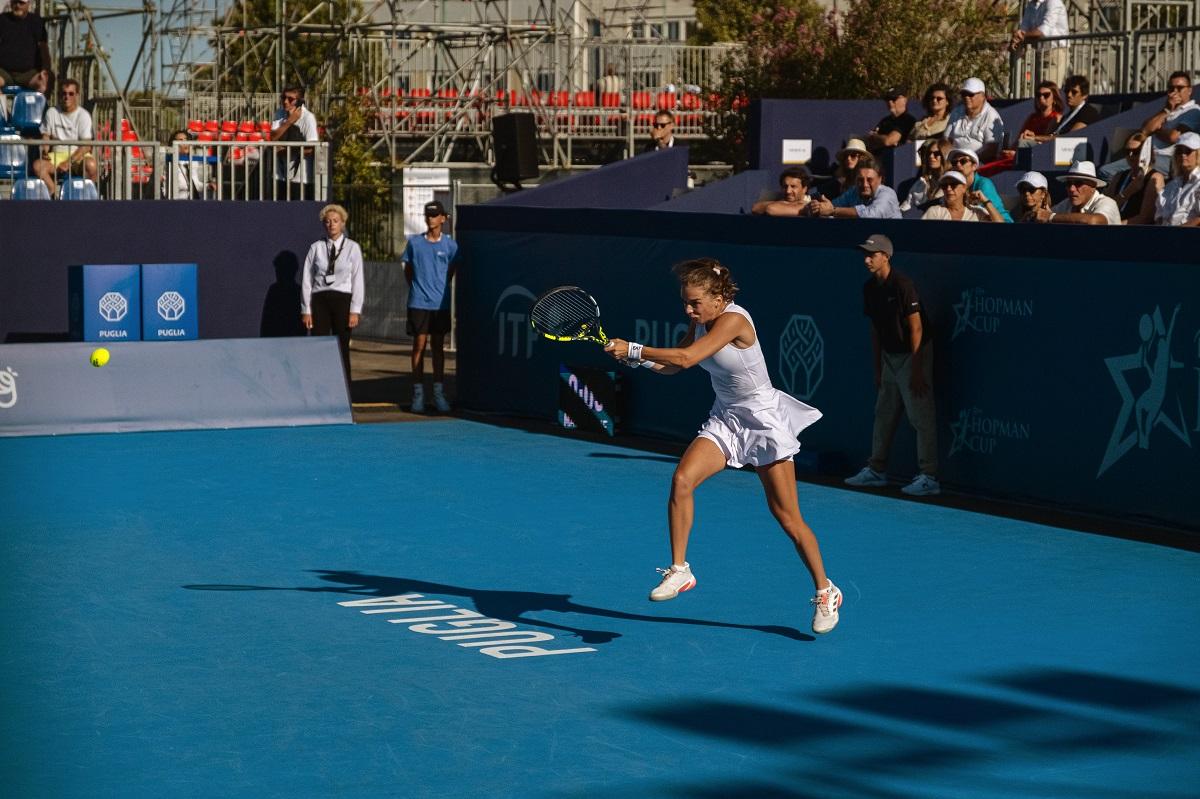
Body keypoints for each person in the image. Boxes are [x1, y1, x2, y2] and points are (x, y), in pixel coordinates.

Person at [602, 259, 843, 635]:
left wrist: (633, 348)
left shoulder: (735, 321)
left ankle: (826, 590)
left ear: (718, 297)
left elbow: (686, 357)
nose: (688, 310)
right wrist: (637, 362)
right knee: (682, 479)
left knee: (788, 518)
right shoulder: (701, 318)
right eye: (685, 302)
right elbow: (674, 366)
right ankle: (680, 570)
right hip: (726, 418)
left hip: (763, 421)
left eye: (695, 303)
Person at [844, 235, 939, 497]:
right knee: (884, 413)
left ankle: (929, 476)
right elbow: (875, 330)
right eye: (865, 254)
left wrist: (918, 370)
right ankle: (876, 470)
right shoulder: (869, 288)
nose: (866, 259)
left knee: (920, 415)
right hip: (890, 357)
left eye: (871, 254)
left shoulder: (902, 285)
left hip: (913, 354)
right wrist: (878, 367)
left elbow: (916, 328)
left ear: (886, 256)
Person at [403, 200, 459, 413]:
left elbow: (451, 270)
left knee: (438, 347)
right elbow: (408, 271)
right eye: (428, 215)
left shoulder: (451, 246)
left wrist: (439, 289)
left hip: (441, 305)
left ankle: (438, 393)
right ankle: (418, 394)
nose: (430, 218)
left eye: (435, 215)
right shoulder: (415, 244)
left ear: (443, 219)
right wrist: (418, 289)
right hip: (418, 303)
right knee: (419, 345)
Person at [300, 204, 364, 379]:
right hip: (320, 300)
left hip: (342, 300)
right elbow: (307, 279)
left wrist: (355, 310)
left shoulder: (352, 247)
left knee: (342, 347)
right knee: (319, 346)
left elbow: (357, 279)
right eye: (327, 222)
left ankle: (345, 393)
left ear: (343, 223)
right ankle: (319, 389)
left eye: (335, 221)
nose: (331, 225)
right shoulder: (316, 248)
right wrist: (306, 309)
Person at [30, 78, 97, 197]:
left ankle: (88, 196)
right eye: (63, 93)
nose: (67, 97)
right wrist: (44, 150)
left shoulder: (84, 115)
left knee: (91, 165)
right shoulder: (52, 112)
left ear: (77, 95)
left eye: (71, 94)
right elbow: (46, 136)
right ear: (59, 95)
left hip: (78, 157)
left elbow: (86, 146)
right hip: (56, 156)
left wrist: (68, 162)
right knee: (37, 165)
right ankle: (53, 192)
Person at [1123, 72, 1198, 160]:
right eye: (1171, 88)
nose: (1175, 91)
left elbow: (1173, 137)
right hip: (1149, 154)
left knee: (1106, 171)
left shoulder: (1193, 111)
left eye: (1179, 88)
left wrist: (1157, 130)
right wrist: (1166, 109)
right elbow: (1145, 130)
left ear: (1189, 90)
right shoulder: (1168, 109)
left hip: (1168, 158)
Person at [270, 84, 319, 199]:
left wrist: (285, 151)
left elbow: (311, 148)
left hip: (301, 177)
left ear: (299, 101)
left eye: (290, 99)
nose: (285, 102)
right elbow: (273, 138)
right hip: (280, 174)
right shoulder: (279, 114)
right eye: (283, 98)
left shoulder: (308, 118)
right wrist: (289, 122)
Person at [1033, 160, 1121, 225]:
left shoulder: (1108, 203)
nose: (1071, 189)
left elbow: (1094, 221)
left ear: (1093, 186)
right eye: (1068, 183)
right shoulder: (1066, 204)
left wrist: (1051, 217)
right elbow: (1045, 215)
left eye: (1078, 183)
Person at [1104, 135, 1165, 225]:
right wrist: (1128, 192)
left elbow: (1146, 217)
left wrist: (1116, 226)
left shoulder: (1155, 177)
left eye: (1136, 151)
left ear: (1148, 154)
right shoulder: (1119, 176)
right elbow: (1106, 208)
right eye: (1127, 151)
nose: (1130, 155)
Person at [943, 78, 1005, 162]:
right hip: (954, 162)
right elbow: (946, 140)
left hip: (979, 164)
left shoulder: (991, 116)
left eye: (970, 94)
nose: (966, 97)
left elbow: (992, 150)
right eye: (964, 94)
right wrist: (950, 159)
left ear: (982, 96)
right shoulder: (956, 111)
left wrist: (969, 161)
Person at [1010, 0, 1070, 87]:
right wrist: (1017, 37)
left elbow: (1044, 31)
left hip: (1055, 52)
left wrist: (1021, 36)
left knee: (1049, 91)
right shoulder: (1031, 5)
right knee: (1041, 92)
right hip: (1039, 53)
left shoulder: (1054, 2)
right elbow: (1024, 28)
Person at [810, 164, 901, 219]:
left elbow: (871, 214)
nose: (865, 184)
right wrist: (819, 207)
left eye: (870, 180)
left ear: (880, 179)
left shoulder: (888, 194)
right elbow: (832, 205)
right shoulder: (854, 191)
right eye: (860, 180)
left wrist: (833, 211)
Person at [946, 148, 1013, 222]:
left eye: (963, 161)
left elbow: (981, 213)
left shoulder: (984, 183)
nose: (958, 165)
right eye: (954, 162)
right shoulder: (951, 185)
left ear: (974, 166)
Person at [0, 0, 50, 93]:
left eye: (21, 3)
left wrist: (45, 69)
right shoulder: (2, 19)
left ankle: (40, 107)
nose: (17, 6)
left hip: (29, 74)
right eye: (14, 2)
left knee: (43, 83)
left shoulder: (36, 21)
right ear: (11, 3)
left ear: (28, 4)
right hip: (4, 72)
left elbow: (43, 48)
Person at [1154, 131, 1200, 226]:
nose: (1183, 155)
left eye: (1188, 151)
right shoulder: (1170, 186)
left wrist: (1177, 232)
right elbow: (1159, 218)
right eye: (1179, 151)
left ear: (1198, 154)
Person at [920, 170, 1004, 222]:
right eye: (945, 185)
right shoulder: (934, 211)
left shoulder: (977, 212)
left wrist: (986, 201)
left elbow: (1000, 227)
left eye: (953, 184)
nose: (948, 189)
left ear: (964, 188)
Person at [163, 129, 212, 200]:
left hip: (188, 200)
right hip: (172, 200)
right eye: (180, 140)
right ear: (173, 144)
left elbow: (195, 184)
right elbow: (169, 186)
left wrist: (208, 186)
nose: (185, 143)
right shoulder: (169, 162)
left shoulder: (193, 162)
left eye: (186, 140)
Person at [864, 86, 916, 152]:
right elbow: (870, 141)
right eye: (887, 99)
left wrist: (875, 137)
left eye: (894, 99)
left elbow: (888, 141)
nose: (890, 102)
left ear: (904, 100)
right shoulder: (885, 121)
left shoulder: (908, 120)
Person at [900, 139, 947, 212]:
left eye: (936, 153)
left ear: (945, 155)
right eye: (928, 153)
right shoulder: (920, 183)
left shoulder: (952, 183)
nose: (931, 156)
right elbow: (905, 207)